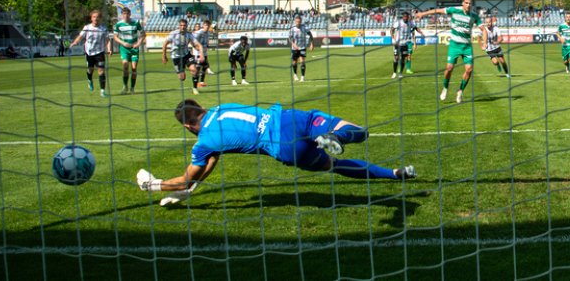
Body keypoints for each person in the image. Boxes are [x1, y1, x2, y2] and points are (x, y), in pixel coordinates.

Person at [135, 99, 416, 206]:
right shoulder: (222, 107)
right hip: (290, 118)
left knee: (334, 165)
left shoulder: (204, 141)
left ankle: (391, 177)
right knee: (358, 130)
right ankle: (345, 140)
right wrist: (193, 189)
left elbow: (192, 172)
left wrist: (157, 185)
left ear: (187, 125)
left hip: (286, 148)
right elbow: (211, 162)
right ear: (202, 109)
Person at [415, 0, 481, 103]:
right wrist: (422, 14)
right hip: (454, 45)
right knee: (449, 68)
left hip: (467, 47)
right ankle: (445, 88)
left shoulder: (474, 16)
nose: (468, 5)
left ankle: (460, 91)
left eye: (470, 3)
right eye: (466, 3)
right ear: (462, 3)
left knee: (469, 70)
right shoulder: (454, 10)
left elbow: (483, 28)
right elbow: (438, 10)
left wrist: (484, 42)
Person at [69, 10, 112, 98]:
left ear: (100, 18)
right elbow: (80, 37)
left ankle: (102, 92)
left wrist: (109, 49)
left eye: (97, 17)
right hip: (89, 53)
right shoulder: (87, 28)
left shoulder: (103, 29)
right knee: (90, 70)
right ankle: (89, 80)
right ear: (91, 18)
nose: (96, 18)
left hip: (100, 53)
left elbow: (107, 40)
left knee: (101, 71)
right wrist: (74, 42)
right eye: (94, 17)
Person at [162, 19, 204, 95]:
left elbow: (199, 45)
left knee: (194, 69)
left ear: (187, 26)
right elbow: (165, 44)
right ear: (179, 26)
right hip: (176, 57)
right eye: (181, 25)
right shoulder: (173, 34)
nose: (183, 27)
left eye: (184, 25)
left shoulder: (189, 34)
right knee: (182, 78)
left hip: (186, 55)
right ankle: (181, 70)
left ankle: (195, 88)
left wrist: (201, 54)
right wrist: (164, 56)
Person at [112, 7, 144, 94]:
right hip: (124, 49)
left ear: (130, 14)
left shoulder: (136, 23)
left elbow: (142, 34)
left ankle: (132, 88)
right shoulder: (118, 24)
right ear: (122, 15)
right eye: (124, 14)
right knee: (125, 66)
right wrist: (123, 43)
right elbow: (115, 37)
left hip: (134, 49)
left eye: (127, 14)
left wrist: (138, 43)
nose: (126, 16)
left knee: (134, 68)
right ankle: (125, 86)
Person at [390, 11, 424, 78]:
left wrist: (421, 33)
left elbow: (416, 28)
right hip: (398, 44)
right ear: (403, 17)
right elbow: (391, 30)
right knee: (396, 58)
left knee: (403, 59)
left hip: (405, 44)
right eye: (404, 17)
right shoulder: (398, 23)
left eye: (407, 17)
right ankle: (394, 72)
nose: (405, 18)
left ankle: (400, 73)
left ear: (408, 17)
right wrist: (393, 37)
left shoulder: (410, 23)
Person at [288, 15, 314, 82]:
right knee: (294, 62)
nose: (298, 23)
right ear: (295, 21)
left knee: (302, 61)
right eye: (297, 22)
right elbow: (290, 38)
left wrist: (311, 44)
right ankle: (295, 74)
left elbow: (310, 35)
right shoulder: (292, 28)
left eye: (299, 22)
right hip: (295, 48)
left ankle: (302, 77)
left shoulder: (304, 27)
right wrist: (293, 44)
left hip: (302, 47)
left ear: (301, 21)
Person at [192, 20, 212, 88]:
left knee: (204, 67)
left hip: (204, 53)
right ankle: (196, 83)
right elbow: (193, 40)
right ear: (203, 25)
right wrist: (196, 47)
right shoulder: (199, 33)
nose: (207, 27)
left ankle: (201, 82)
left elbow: (206, 40)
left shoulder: (208, 33)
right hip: (198, 53)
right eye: (206, 25)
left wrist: (207, 46)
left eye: (208, 26)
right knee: (198, 68)